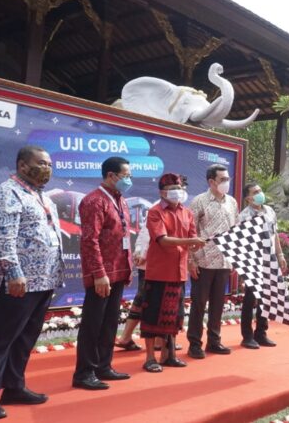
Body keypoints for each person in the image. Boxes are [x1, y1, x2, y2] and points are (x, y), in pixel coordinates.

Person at [0, 146, 64, 419]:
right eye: (41, 163)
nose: (47, 168)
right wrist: (13, 273)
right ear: (22, 165)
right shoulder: (6, 193)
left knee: (24, 338)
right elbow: (2, 239)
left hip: (42, 280)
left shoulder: (41, 196)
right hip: (16, 281)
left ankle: (14, 386)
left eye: (50, 164)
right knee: (0, 338)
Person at [72, 156, 134, 391]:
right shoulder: (94, 201)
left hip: (118, 270)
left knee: (109, 322)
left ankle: (103, 366)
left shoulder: (121, 200)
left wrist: (127, 268)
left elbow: (124, 236)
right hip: (102, 274)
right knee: (93, 323)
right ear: (111, 175)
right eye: (126, 175)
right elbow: (89, 240)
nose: (129, 179)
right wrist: (99, 273)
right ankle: (84, 372)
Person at [140, 174, 206, 372]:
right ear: (162, 191)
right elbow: (163, 240)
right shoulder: (155, 212)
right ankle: (150, 358)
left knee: (174, 317)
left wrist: (196, 244)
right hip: (159, 272)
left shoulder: (186, 212)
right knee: (152, 317)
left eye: (178, 186)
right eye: (171, 187)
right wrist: (190, 242)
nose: (177, 189)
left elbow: (192, 238)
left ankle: (169, 355)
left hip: (179, 272)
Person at [116, 176, 189, 352]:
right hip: (153, 263)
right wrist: (141, 252)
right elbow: (148, 234)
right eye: (177, 188)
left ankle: (145, 340)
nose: (180, 192)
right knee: (149, 302)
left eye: (182, 188)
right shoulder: (159, 208)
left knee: (145, 300)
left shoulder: (181, 210)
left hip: (168, 264)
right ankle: (150, 341)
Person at [187, 164, 238, 359]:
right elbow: (190, 233)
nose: (226, 183)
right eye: (222, 180)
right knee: (199, 304)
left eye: (227, 179)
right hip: (203, 261)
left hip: (224, 261)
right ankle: (194, 344)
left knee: (218, 304)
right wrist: (191, 261)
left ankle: (214, 341)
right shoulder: (199, 201)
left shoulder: (232, 202)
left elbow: (235, 231)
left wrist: (235, 258)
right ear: (211, 181)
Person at [237, 183, 287, 349]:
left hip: (269, 259)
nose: (260, 194)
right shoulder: (244, 216)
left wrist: (280, 255)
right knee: (251, 299)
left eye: (260, 190)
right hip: (253, 260)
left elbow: (275, 235)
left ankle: (261, 333)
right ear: (248, 198)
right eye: (255, 192)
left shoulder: (269, 211)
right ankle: (247, 336)